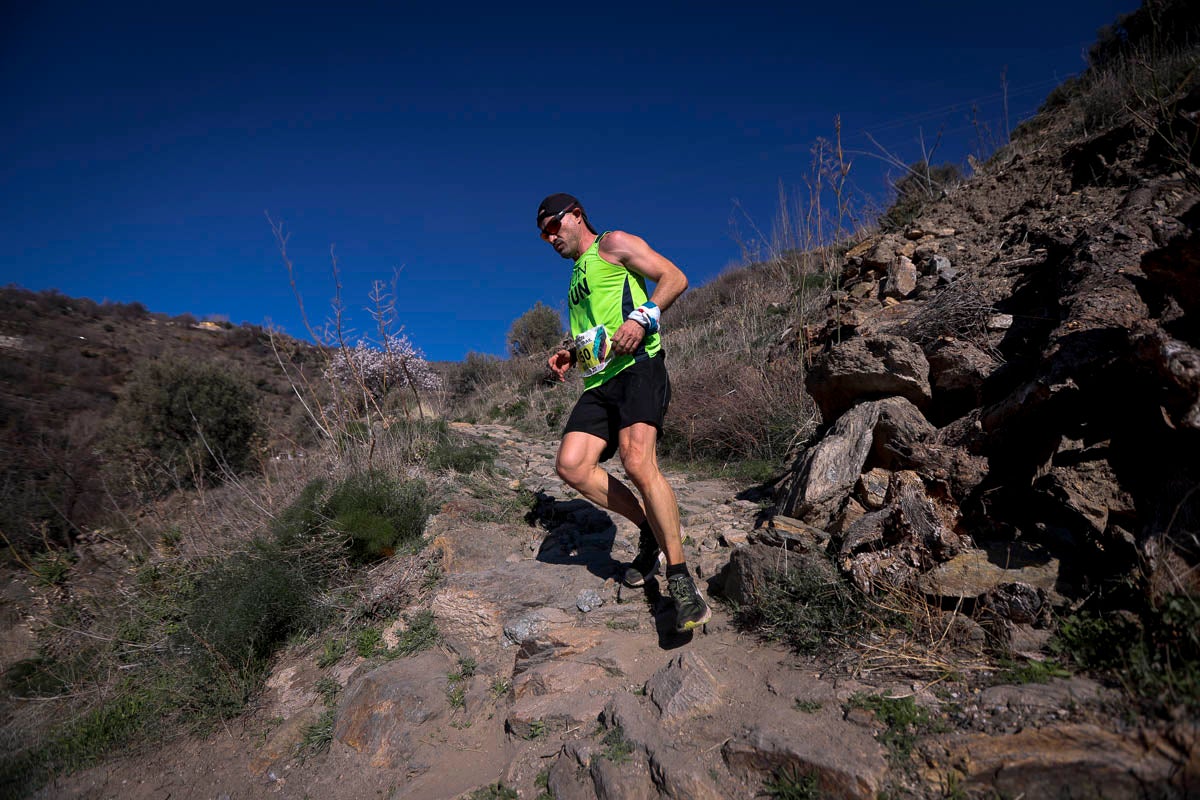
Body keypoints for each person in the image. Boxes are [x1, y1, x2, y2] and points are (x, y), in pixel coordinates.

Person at [537, 192, 711, 632]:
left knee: (637, 462)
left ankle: (680, 578)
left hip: (638, 366)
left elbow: (674, 277)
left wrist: (642, 318)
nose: (550, 238)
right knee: (571, 465)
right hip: (599, 381)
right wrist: (569, 352)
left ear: (576, 216)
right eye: (543, 235)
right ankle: (649, 529)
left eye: (554, 226)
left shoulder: (612, 244)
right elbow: (596, 330)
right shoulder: (576, 275)